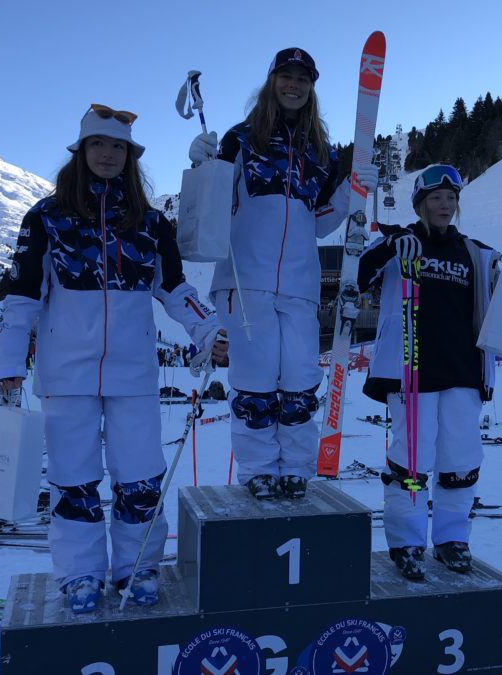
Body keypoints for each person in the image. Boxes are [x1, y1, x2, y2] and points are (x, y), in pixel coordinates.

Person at [0, 104, 228, 613]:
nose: (107, 153)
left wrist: (207, 325)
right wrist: (8, 363)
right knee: (73, 481)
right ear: (81, 152)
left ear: (129, 156)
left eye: (117, 147)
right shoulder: (46, 218)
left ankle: (137, 566)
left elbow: (173, 286)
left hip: (132, 375)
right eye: (98, 144)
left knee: (140, 477)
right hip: (66, 376)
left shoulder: (150, 222)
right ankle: (79, 575)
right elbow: (21, 297)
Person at [188, 47, 377, 500]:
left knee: (299, 385)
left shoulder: (319, 152)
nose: (294, 85)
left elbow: (320, 221)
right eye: (287, 76)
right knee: (254, 384)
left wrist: (354, 193)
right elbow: (214, 204)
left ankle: (296, 469)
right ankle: (257, 470)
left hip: (299, 283)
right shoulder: (241, 138)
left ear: (311, 88)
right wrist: (201, 165)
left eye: (303, 79)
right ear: (272, 81)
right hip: (243, 280)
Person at [356, 164, 502, 580]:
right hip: (413, 371)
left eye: (451, 198)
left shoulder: (476, 252)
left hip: (462, 370)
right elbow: (358, 273)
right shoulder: (398, 241)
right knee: (411, 461)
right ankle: (406, 542)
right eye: (436, 198)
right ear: (420, 204)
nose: (444, 205)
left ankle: (452, 539)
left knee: (460, 460)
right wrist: (390, 247)